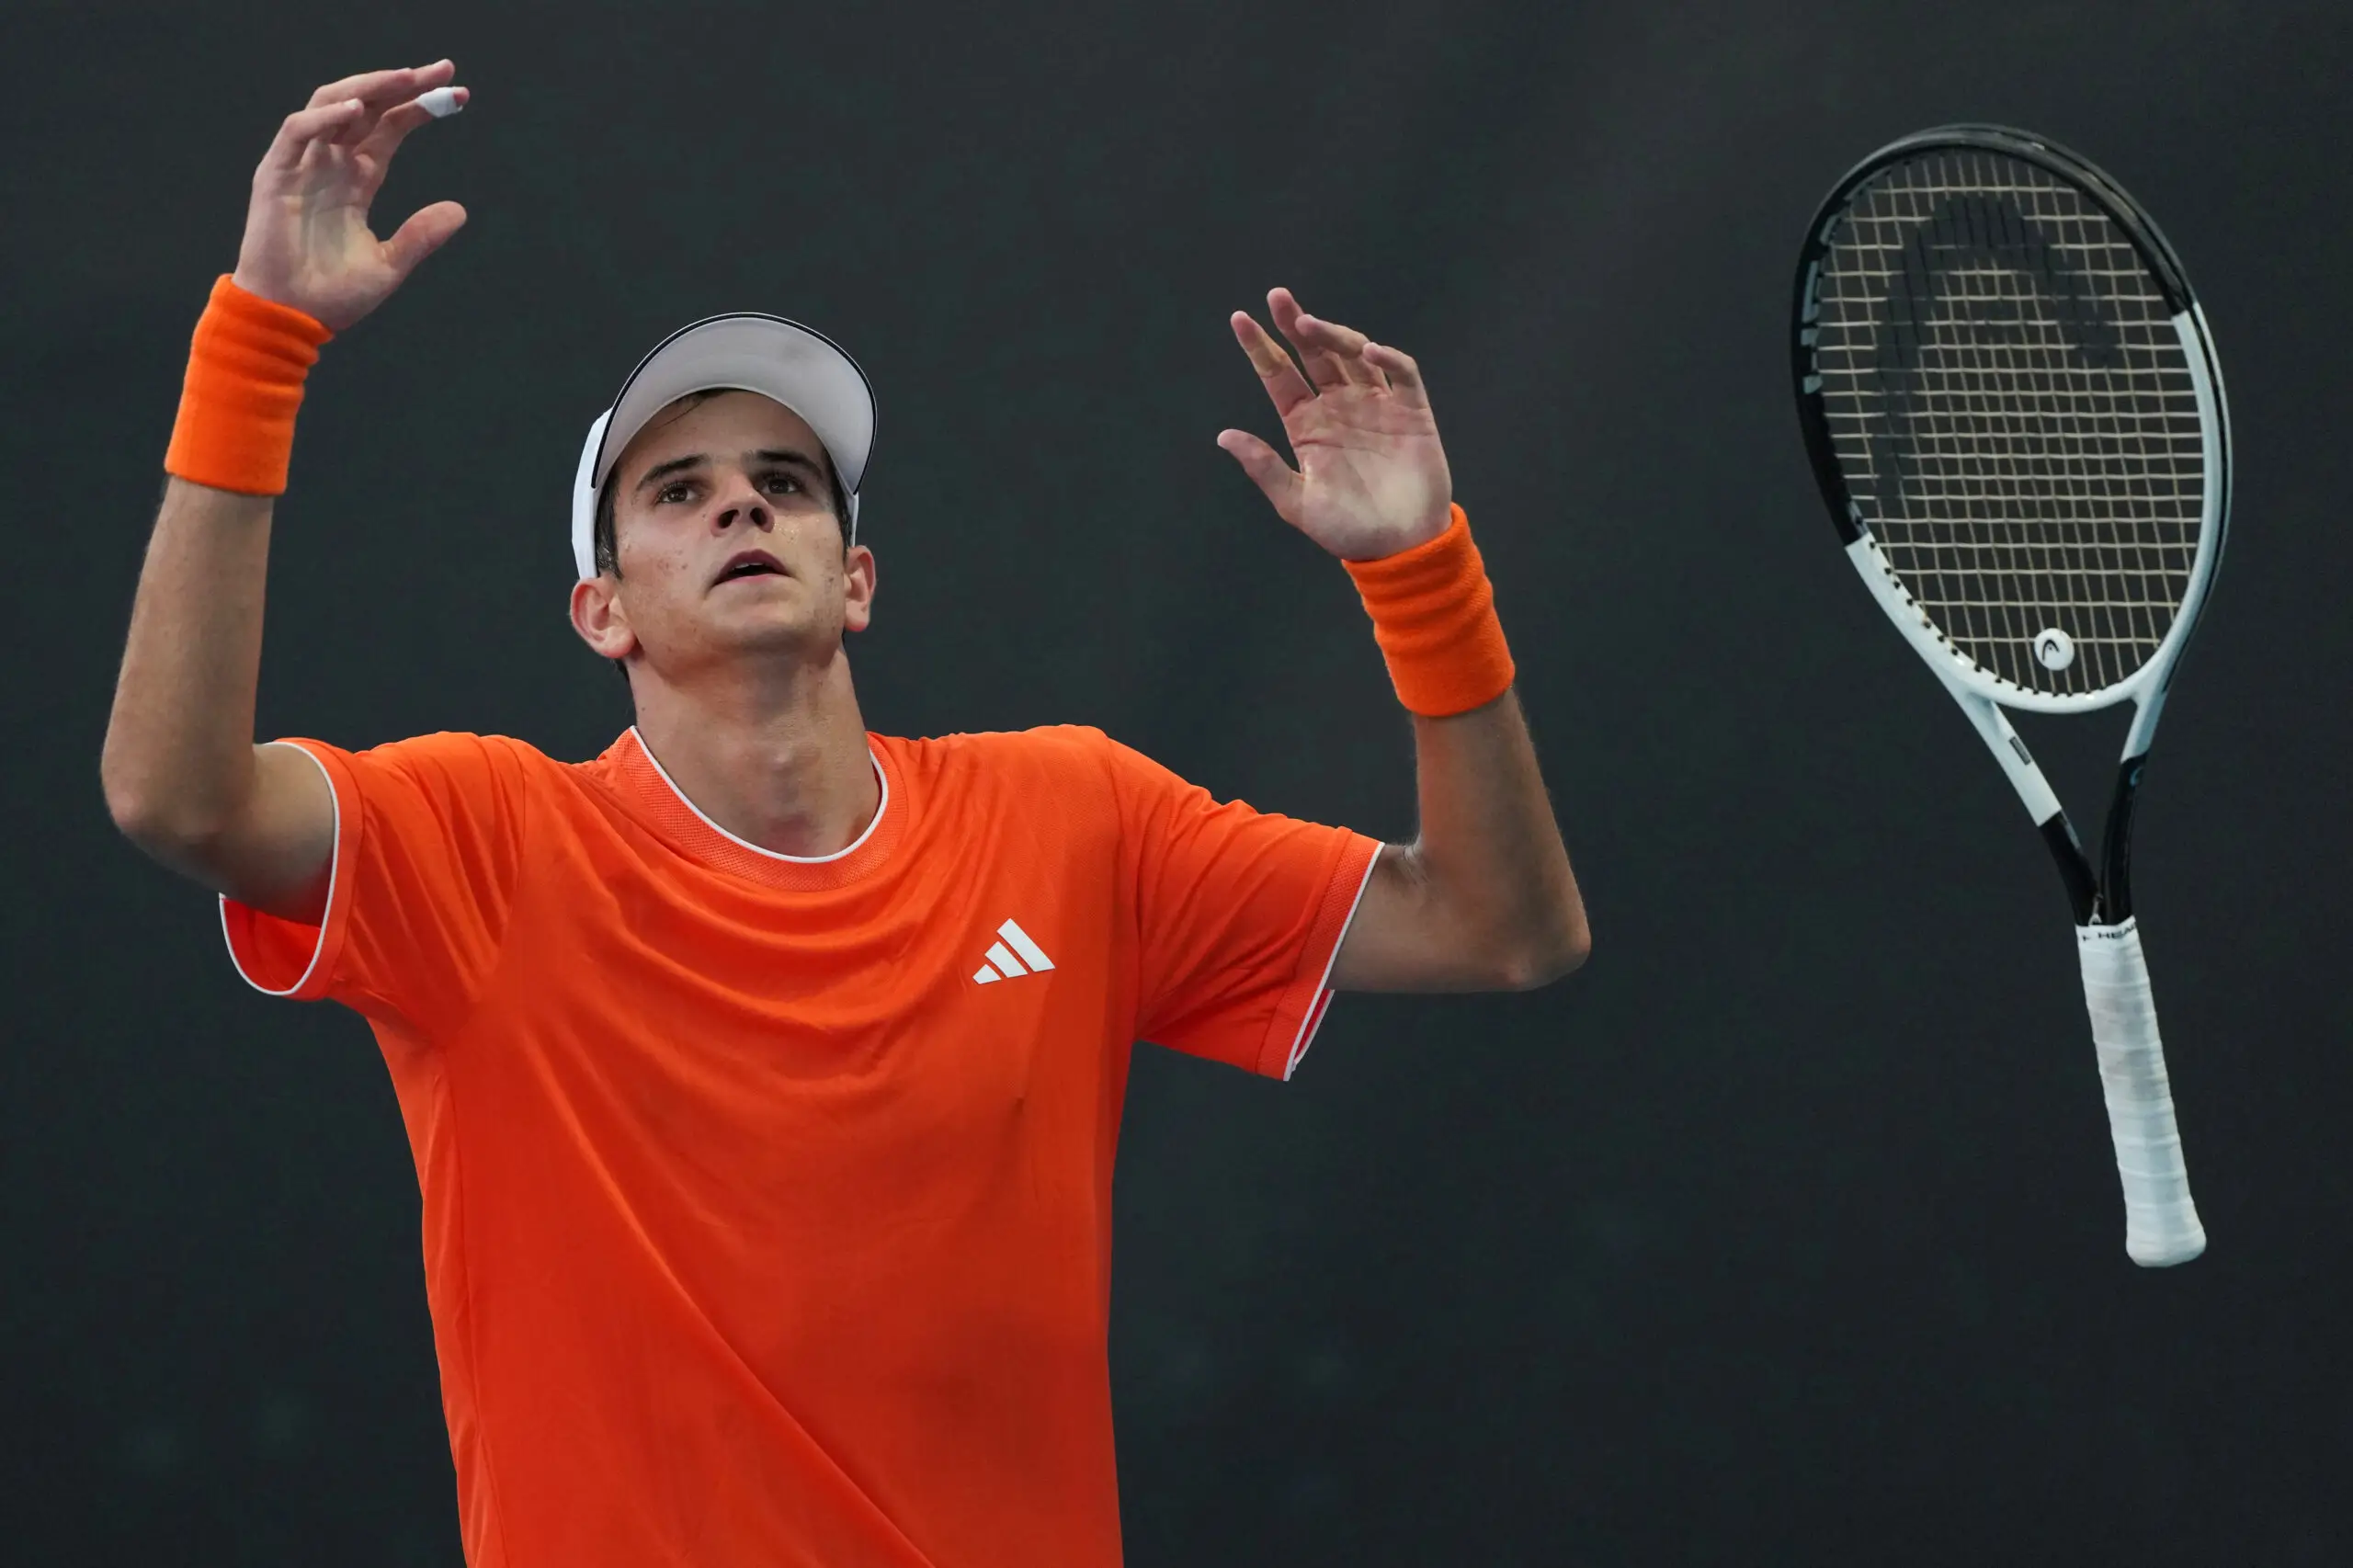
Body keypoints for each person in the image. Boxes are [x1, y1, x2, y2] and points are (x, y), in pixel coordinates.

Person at [102, 57, 1588, 1568]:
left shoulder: (1073, 815)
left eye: (785, 482)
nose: (742, 504)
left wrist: (1420, 574)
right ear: (603, 610)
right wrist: (261, 341)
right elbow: (174, 792)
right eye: (676, 491)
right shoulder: (483, 838)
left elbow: (1503, 927)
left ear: (856, 580)